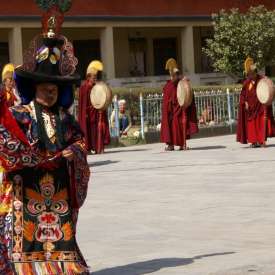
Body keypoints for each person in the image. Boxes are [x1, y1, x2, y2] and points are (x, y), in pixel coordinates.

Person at [0, 9, 90, 274]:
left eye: (55, 90)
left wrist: (72, 152)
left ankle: (61, 266)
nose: (50, 94)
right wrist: (26, 157)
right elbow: (5, 142)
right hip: (25, 189)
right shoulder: (20, 116)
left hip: (58, 189)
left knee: (60, 236)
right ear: (33, 88)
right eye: (44, 89)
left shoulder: (66, 119)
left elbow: (81, 142)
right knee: (22, 237)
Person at [160, 58, 198, 151]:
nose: (174, 77)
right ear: (171, 75)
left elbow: (188, 94)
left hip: (180, 109)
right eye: (173, 75)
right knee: (171, 125)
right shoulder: (168, 86)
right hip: (171, 112)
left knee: (181, 124)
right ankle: (171, 145)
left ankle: (182, 144)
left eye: (176, 75)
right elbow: (166, 102)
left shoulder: (182, 83)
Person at [237, 57, 275, 147]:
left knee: (261, 123)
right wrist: (244, 102)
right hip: (250, 108)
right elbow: (243, 94)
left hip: (261, 106)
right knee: (252, 125)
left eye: (252, 74)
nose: (250, 76)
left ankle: (261, 141)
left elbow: (268, 89)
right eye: (249, 74)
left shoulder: (262, 80)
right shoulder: (247, 83)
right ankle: (254, 141)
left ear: (255, 72)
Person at [78, 60, 110, 154]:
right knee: (88, 131)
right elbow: (83, 104)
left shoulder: (96, 86)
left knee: (97, 130)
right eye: (93, 77)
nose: (95, 79)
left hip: (96, 112)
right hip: (88, 113)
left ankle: (97, 147)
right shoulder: (84, 87)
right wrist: (85, 113)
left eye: (96, 77)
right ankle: (88, 148)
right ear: (88, 77)